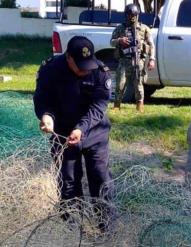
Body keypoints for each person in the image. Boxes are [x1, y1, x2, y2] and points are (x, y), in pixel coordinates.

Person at [33, 36, 115, 231]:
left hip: (94, 133)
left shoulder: (100, 72)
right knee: (68, 180)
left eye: (88, 65)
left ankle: (106, 227)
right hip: (62, 133)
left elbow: (99, 106)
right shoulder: (50, 70)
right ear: (68, 57)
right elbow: (43, 99)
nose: (85, 70)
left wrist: (81, 128)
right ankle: (72, 229)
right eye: (80, 66)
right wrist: (46, 116)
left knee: (100, 177)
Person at [110, 3, 156, 112]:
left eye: (133, 15)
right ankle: (117, 105)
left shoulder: (144, 29)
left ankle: (140, 106)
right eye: (129, 15)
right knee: (120, 84)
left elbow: (151, 45)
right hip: (124, 61)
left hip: (138, 61)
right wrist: (120, 40)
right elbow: (111, 42)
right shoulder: (120, 28)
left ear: (137, 15)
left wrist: (152, 59)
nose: (131, 17)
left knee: (138, 84)